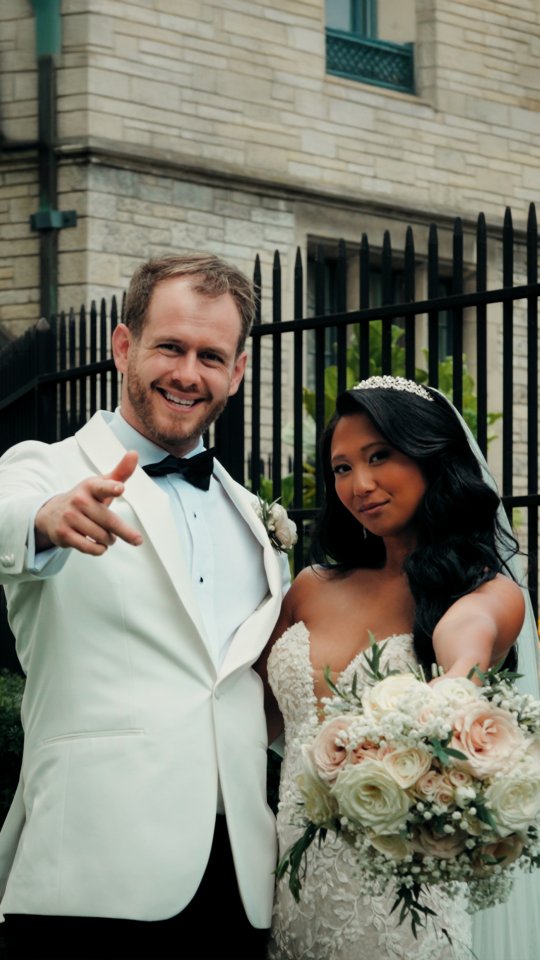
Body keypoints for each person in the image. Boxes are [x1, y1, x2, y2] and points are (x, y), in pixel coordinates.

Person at [0, 253, 291, 960]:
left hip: (238, 882)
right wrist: (47, 517)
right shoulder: (46, 468)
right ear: (123, 346)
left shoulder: (254, 514)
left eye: (211, 356)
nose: (189, 373)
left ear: (238, 372)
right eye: (170, 346)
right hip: (92, 876)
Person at [256, 375, 540, 960]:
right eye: (341, 468)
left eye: (380, 456)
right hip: (286, 887)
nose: (360, 485)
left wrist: (454, 683)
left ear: (432, 458)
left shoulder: (489, 593)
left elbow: (470, 634)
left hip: (405, 907)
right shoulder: (310, 588)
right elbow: (251, 719)